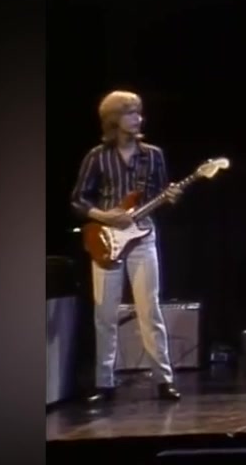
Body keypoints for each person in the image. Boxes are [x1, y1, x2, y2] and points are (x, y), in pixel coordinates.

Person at [71, 90, 182, 403]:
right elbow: (78, 200)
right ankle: (104, 383)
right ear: (113, 120)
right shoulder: (97, 157)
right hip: (107, 241)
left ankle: (164, 380)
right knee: (104, 314)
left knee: (150, 310)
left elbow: (160, 193)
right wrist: (104, 215)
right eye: (130, 113)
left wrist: (170, 197)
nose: (138, 118)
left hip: (143, 236)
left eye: (138, 112)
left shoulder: (153, 155)